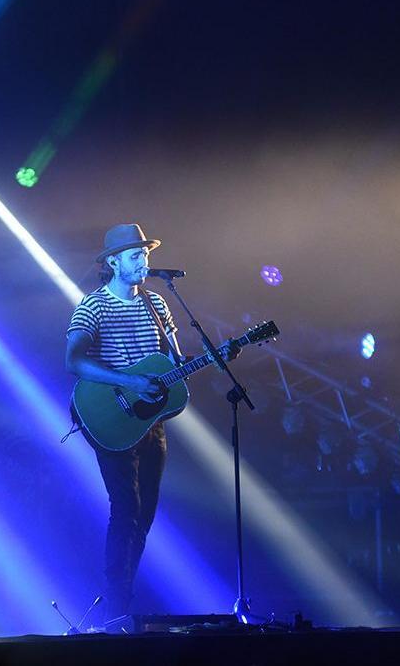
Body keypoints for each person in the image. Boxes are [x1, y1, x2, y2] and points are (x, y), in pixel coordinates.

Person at [66, 223, 238, 623]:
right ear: (113, 262)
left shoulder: (157, 305)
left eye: (145, 254)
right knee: (125, 508)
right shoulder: (93, 306)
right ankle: (114, 606)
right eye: (135, 255)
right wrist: (130, 381)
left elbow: (174, 363)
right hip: (111, 417)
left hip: (150, 422)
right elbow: (73, 361)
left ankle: (124, 598)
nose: (144, 261)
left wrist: (215, 356)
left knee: (145, 514)